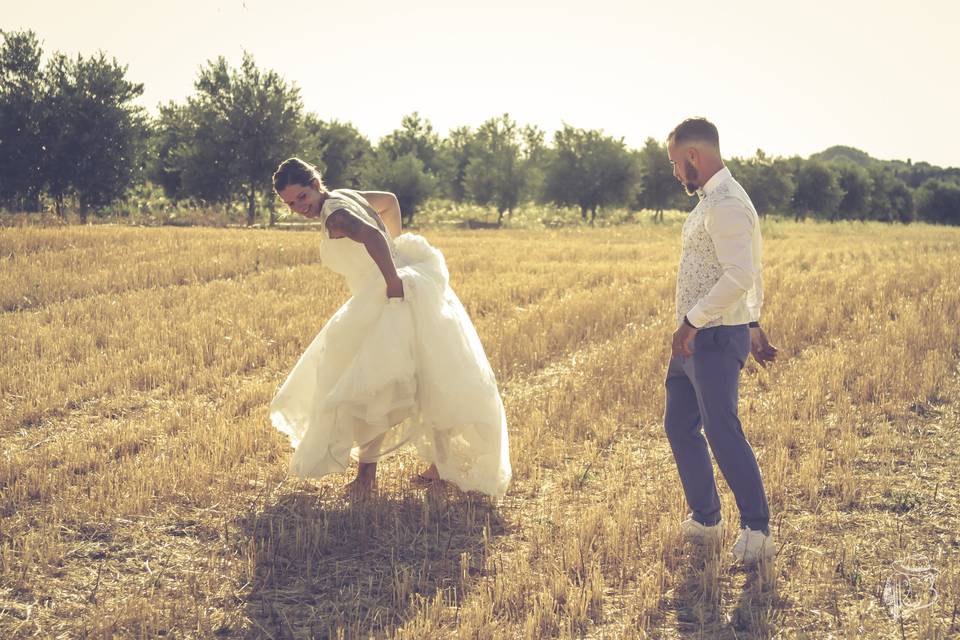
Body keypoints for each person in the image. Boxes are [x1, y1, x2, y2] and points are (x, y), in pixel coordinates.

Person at [269, 158, 511, 498]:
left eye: (302, 197)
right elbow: (390, 202)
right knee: (428, 376)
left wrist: (391, 280)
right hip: (401, 285)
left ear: (315, 184)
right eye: (290, 203)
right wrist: (396, 254)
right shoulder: (345, 195)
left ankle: (368, 479)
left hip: (390, 294)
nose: (298, 208)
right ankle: (438, 468)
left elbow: (370, 236)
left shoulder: (336, 215)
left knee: (371, 385)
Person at [664, 118, 778, 564]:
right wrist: (751, 323)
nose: (675, 173)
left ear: (694, 156)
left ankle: (757, 529)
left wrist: (693, 322)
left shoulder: (727, 203)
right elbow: (744, 269)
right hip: (698, 336)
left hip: (708, 336)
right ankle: (706, 519)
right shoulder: (714, 199)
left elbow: (740, 274)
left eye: (676, 163)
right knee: (680, 425)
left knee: (722, 430)